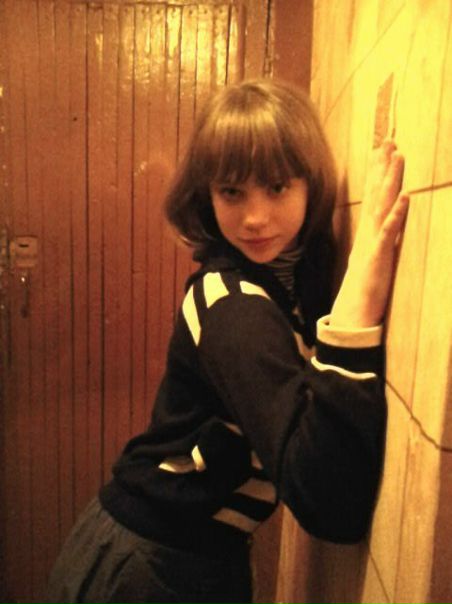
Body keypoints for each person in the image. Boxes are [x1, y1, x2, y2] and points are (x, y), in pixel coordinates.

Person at [46, 79, 409, 604]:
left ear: (311, 185)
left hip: (177, 554)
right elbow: (329, 503)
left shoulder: (286, 284)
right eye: (232, 192)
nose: (255, 218)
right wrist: (359, 299)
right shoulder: (231, 305)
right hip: (150, 562)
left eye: (277, 187)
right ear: (208, 195)